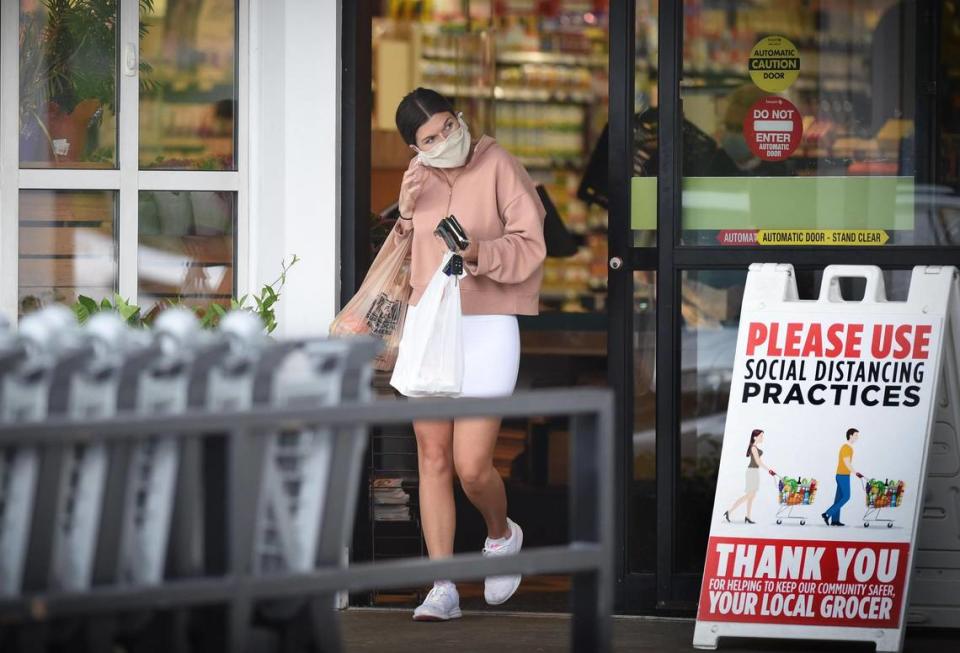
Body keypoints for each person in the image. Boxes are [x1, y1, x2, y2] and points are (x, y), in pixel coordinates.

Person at [387, 88, 546, 621]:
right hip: (430, 327)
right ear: (415, 147)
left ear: (460, 120)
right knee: (432, 460)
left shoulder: (498, 163)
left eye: (446, 128)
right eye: (427, 139)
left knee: (472, 466)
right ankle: (443, 586)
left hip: (488, 324)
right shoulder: (418, 179)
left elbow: (531, 244)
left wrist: (479, 252)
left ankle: (501, 536)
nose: (442, 141)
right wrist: (406, 214)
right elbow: (400, 261)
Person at [723, 429, 775, 524]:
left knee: (751, 496)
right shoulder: (753, 448)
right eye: (761, 436)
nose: (762, 438)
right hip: (751, 472)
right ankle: (729, 511)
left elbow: (758, 463)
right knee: (749, 495)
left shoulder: (754, 447)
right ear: (755, 437)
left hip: (754, 472)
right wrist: (769, 470)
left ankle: (748, 516)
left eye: (762, 436)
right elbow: (758, 462)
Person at [823, 428, 864, 527]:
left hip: (842, 475)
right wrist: (855, 473)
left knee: (839, 499)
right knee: (846, 496)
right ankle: (827, 514)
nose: (857, 438)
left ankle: (835, 520)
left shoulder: (848, 448)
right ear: (850, 435)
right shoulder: (846, 448)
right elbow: (846, 463)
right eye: (855, 435)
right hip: (843, 475)